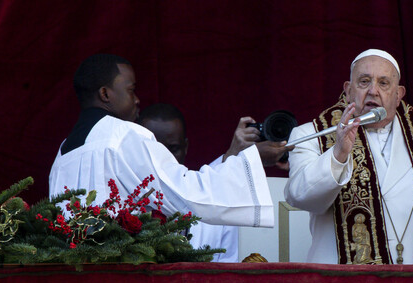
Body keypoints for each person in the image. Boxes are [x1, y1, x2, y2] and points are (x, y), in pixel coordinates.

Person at [284, 49, 413, 265]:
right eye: (364, 82)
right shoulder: (311, 135)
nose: (373, 91)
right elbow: (300, 197)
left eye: (383, 83)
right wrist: (338, 154)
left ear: (398, 94)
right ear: (348, 90)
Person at [49, 54, 289, 229]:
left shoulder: (63, 152)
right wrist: (252, 159)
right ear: (105, 94)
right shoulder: (123, 134)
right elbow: (183, 195)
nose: (137, 100)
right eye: (131, 90)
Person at [139, 103, 245, 262]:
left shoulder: (218, 204)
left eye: (173, 149)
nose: (164, 158)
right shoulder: (118, 201)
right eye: (155, 150)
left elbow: (228, 270)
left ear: (186, 147)